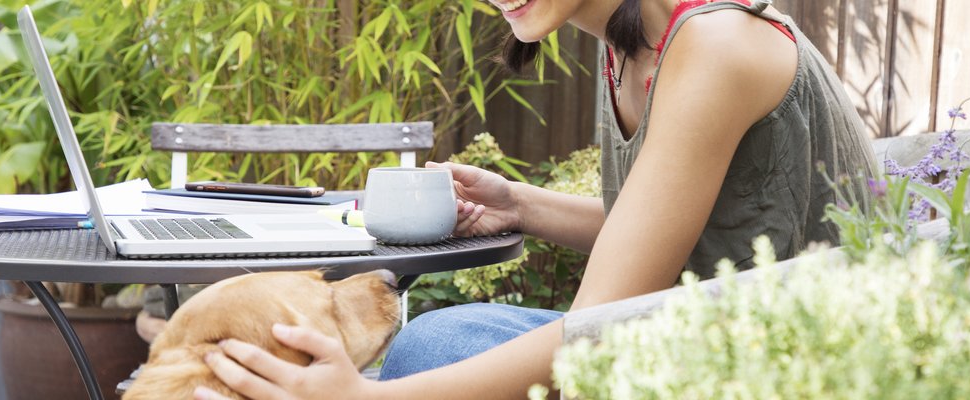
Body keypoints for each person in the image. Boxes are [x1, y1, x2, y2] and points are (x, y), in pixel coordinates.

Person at [194, 0, 877, 398]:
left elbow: (597, 329)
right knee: (439, 338)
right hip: (706, 330)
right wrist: (522, 205)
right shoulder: (632, 48)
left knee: (429, 355)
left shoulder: (715, 45)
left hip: (788, 366)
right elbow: (686, 226)